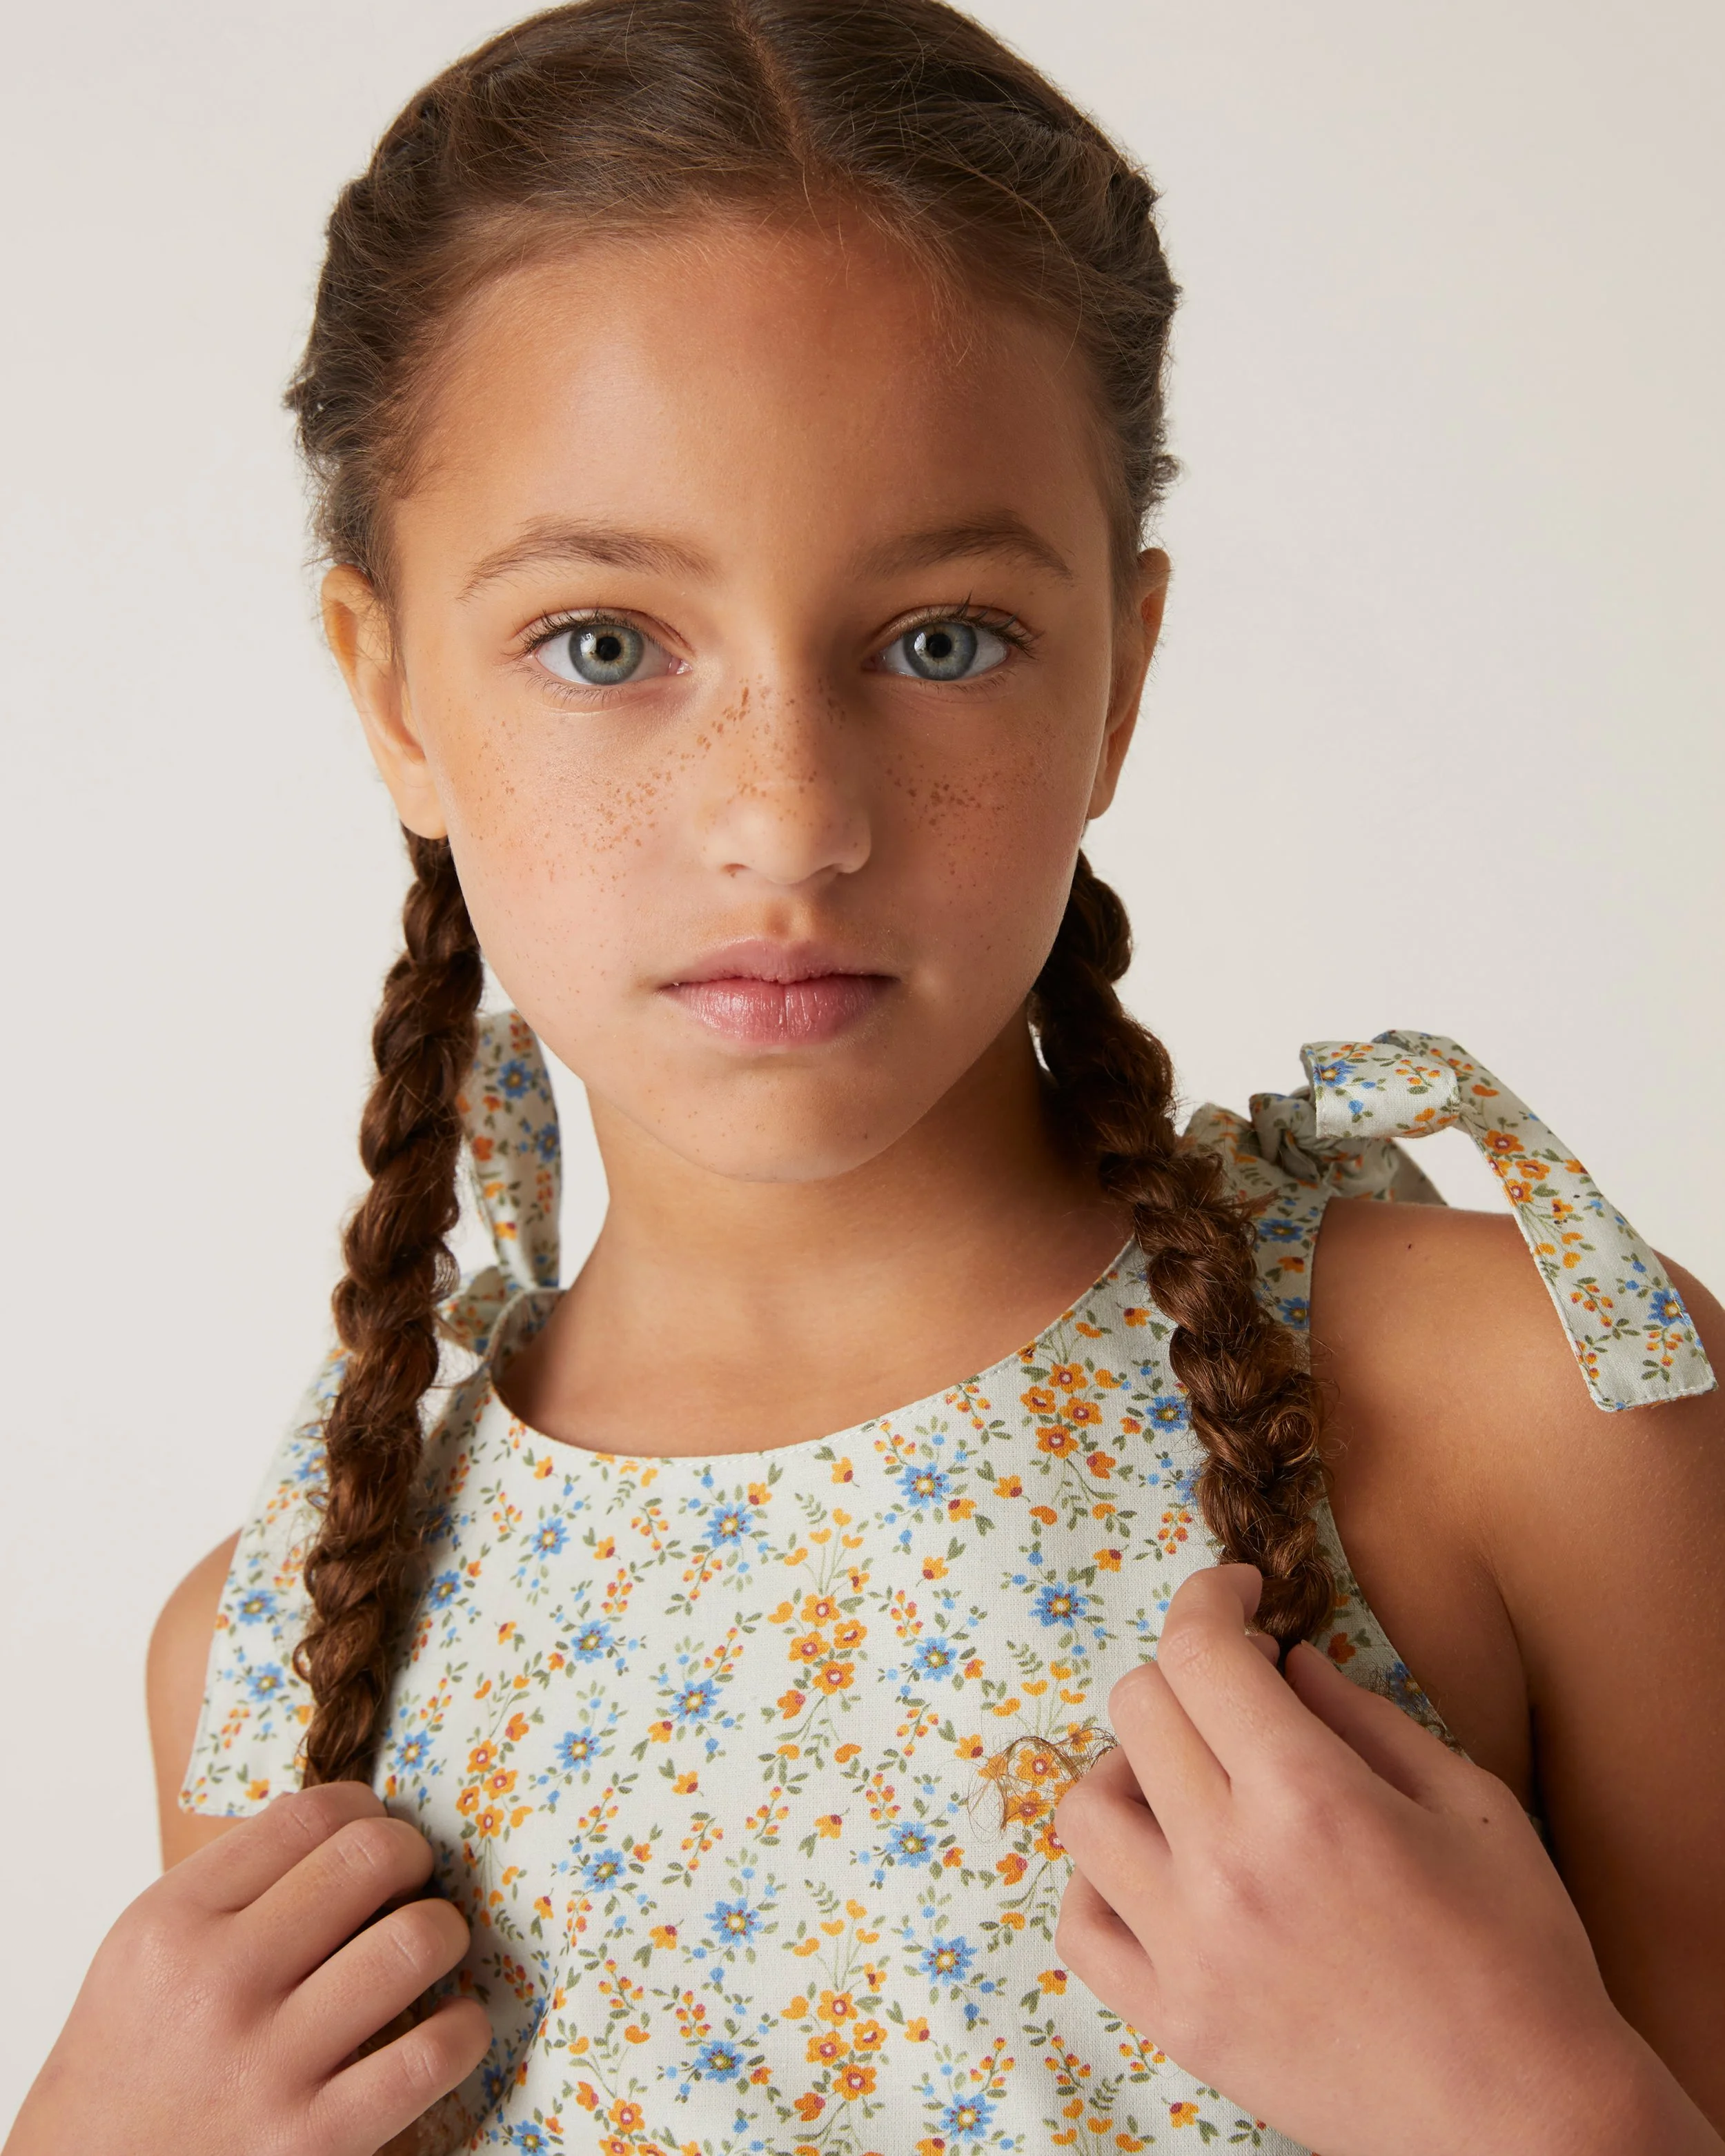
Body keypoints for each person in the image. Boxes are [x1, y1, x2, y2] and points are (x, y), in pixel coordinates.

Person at [8, 3, 1722, 2151]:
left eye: (940, 639)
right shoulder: (274, 1664)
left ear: (1119, 675)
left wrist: (1531, 2105)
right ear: (395, 696)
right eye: (605, 644)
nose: (786, 817)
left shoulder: (1534, 1411)